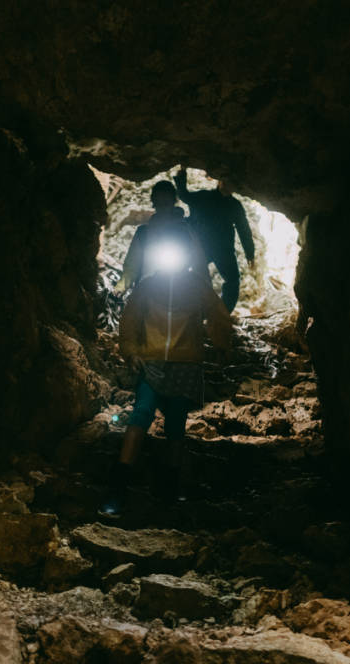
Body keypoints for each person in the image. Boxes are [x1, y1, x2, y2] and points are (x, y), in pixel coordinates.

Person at [100, 198, 231, 518]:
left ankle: (170, 489)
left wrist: (223, 346)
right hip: (152, 361)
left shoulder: (197, 286)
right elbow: (130, 319)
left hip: (185, 363)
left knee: (175, 426)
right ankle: (118, 486)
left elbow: (217, 316)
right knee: (140, 416)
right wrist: (129, 350)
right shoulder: (149, 286)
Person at [174, 167, 255, 312]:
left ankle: (222, 313)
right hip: (199, 247)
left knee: (233, 281)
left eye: (232, 183)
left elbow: (244, 229)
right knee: (180, 273)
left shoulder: (235, 206)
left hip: (222, 249)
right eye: (226, 181)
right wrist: (182, 174)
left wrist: (250, 252)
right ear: (220, 182)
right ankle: (180, 309)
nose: (229, 186)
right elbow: (184, 195)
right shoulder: (204, 196)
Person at [114, 181, 209, 293]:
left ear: (173, 202)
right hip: (147, 293)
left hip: (179, 293)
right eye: (159, 202)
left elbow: (200, 265)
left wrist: (206, 294)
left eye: (166, 202)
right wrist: (120, 288)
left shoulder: (186, 231)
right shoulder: (143, 232)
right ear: (154, 202)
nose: (163, 206)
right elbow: (132, 266)